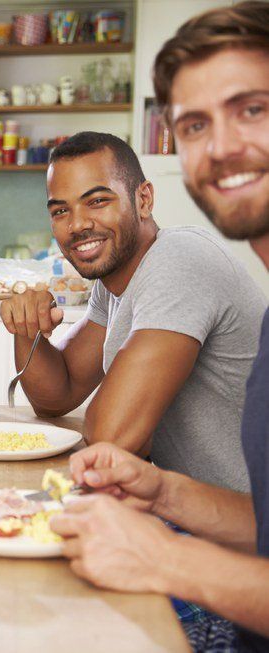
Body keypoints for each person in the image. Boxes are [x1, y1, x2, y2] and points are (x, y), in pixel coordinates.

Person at [50, 3, 269, 651]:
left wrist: (165, 558)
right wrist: (163, 490)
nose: (223, 146)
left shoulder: (181, 257)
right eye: (196, 124)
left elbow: (108, 428)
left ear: (144, 199)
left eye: (252, 108)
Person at [0, 131, 265, 492]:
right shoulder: (114, 284)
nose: (77, 225)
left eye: (96, 202)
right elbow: (57, 396)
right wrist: (26, 328)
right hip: (192, 513)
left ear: (144, 199)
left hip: (245, 530)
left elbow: (112, 436)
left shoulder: (180, 260)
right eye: (61, 210)